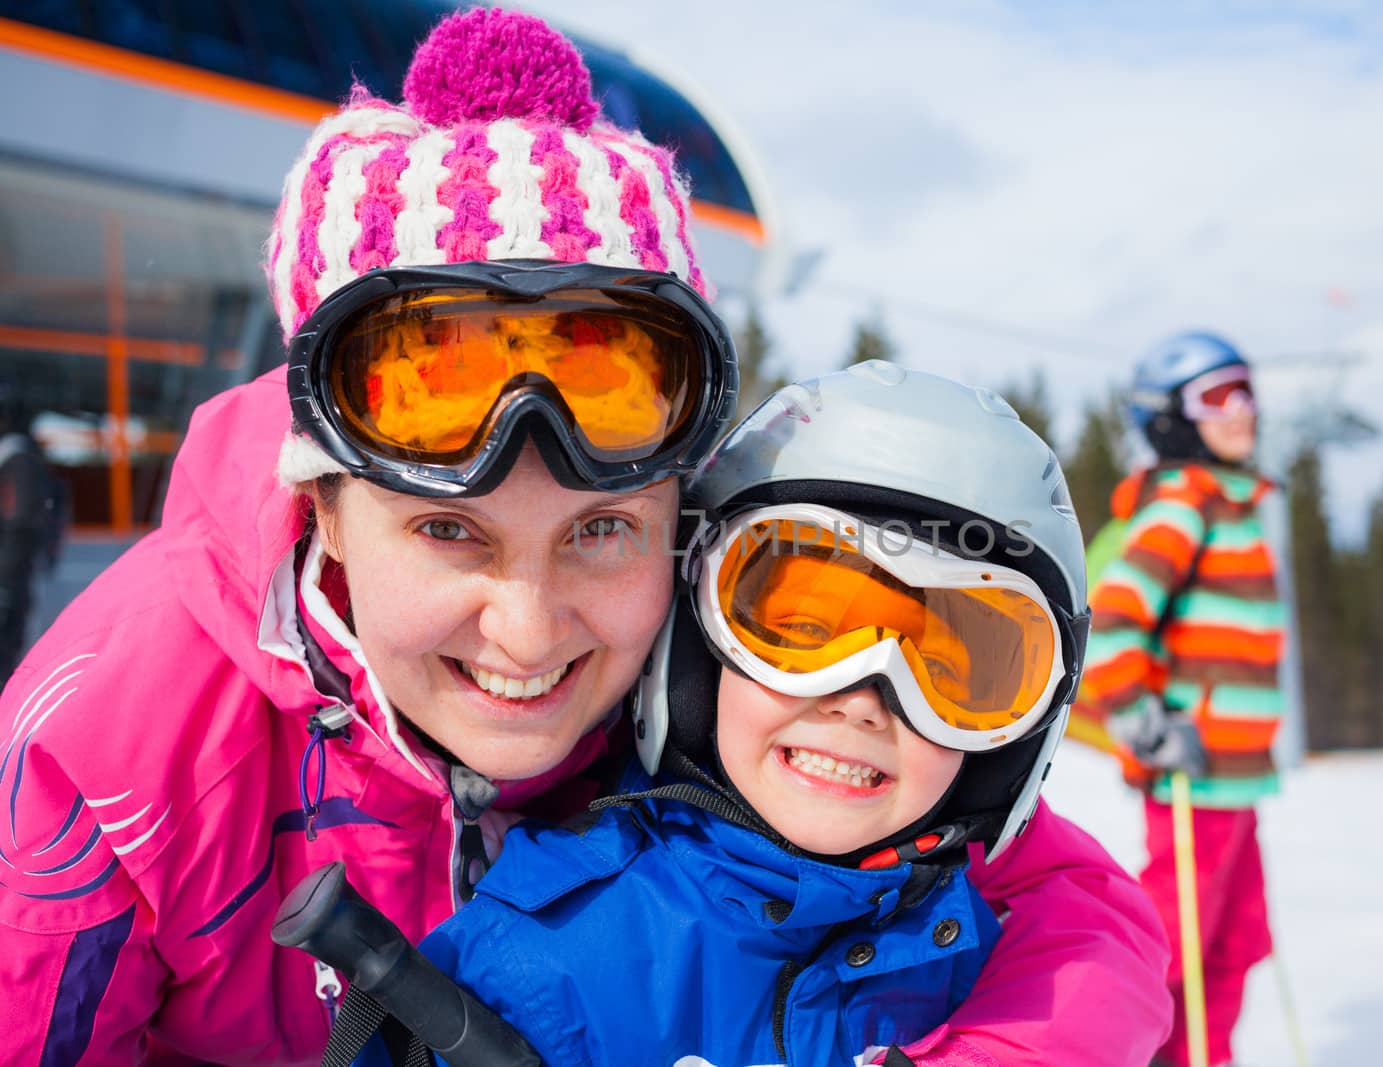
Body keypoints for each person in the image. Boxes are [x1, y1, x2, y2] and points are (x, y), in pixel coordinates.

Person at [0, 10, 1168, 1065]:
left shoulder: (730, 666)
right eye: (450, 531)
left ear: (683, 522)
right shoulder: (116, 745)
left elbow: (1070, 900)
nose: (529, 630)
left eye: (601, 529)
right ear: (324, 512)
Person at [366, 364, 1097, 1066]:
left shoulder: (985, 967)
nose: (862, 699)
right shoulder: (539, 965)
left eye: (944, 674)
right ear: (695, 648)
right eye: (802, 635)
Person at [1072, 332, 1284, 1067]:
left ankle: (1199, 1054)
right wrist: (1137, 715)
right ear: (1170, 416)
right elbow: (1116, 618)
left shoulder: (1233, 507)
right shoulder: (1182, 506)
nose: (1243, 411)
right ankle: (1110, 1046)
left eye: (1247, 390)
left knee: (1238, 934)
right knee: (1172, 931)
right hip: (1194, 767)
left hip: (1236, 773)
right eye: (1219, 395)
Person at [0, 383, 57, 678]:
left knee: (8, 651)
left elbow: (19, 520)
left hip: (12, 578)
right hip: (13, 575)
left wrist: (6, 579)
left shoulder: (17, 458)